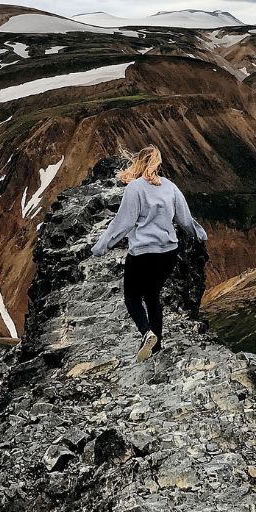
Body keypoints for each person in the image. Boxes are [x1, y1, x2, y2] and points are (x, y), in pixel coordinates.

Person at [90, 146, 207, 361]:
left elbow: (123, 223)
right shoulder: (171, 187)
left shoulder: (135, 189)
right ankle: (156, 347)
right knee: (152, 296)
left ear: (139, 163)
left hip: (142, 253)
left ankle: (147, 333)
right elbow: (184, 220)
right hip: (168, 253)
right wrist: (200, 233)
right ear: (158, 164)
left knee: (132, 297)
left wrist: (101, 247)